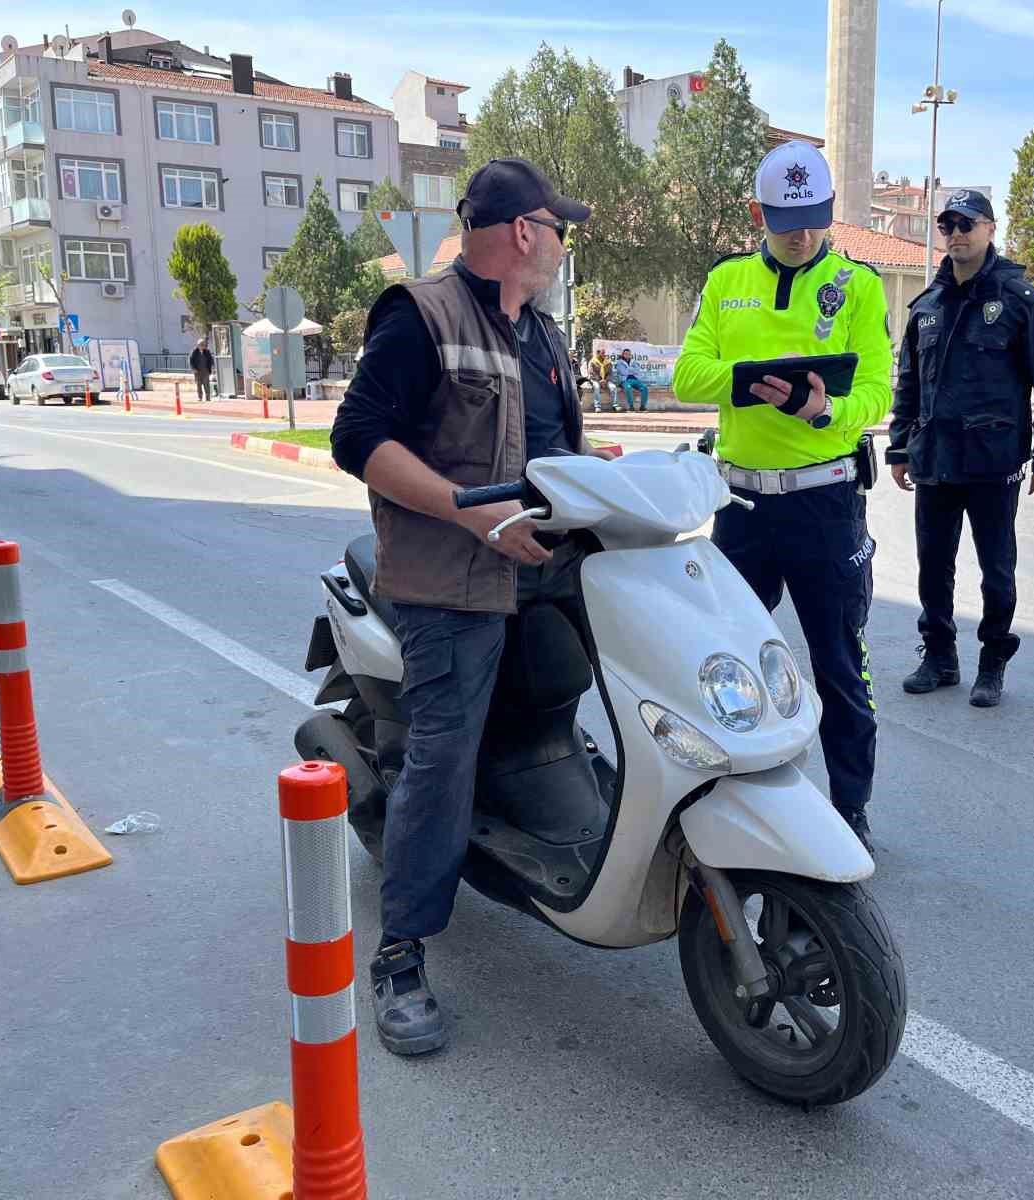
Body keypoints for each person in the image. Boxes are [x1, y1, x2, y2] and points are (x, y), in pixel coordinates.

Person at [330, 157, 611, 1058]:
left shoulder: (543, 332)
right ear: (526, 231)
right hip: (451, 579)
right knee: (444, 751)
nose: (565, 244)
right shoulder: (423, 316)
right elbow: (357, 439)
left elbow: (548, 448)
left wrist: (595, 467)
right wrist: (471, 513)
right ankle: (401, 955)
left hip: (546, 567)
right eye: (559, 228)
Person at [673, 140, 893, 851]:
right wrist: (755, 375)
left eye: (815, 217)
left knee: (837, 659)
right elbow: (687, 376)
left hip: (824, 504)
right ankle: (720, 796)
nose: (801, 233)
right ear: (757, 212)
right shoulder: (726, 281)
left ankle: (851, 806)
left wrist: (824, 411)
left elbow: (878, 391)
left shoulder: (856, 287)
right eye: (785, 218)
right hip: (740, 509)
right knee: (717, 658)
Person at [887, 189, 1034, 709]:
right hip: (936, 462)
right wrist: (900, 449)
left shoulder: (1021, 302)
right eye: (948, 225)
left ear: (991, 229)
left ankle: (992, 662)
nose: (957, 234)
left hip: (994, 462)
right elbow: (908, 384)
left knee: (996, 570)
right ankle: (940, 657)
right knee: (933, 566)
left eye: (967, 223)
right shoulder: (926, 307)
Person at [615, 348, 649, 412]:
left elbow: (637, 371)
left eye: (628, 354)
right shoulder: (619, 362)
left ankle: (642, 407)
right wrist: (632, 369)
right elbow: (623, 372)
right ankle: (631, 407)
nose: (627, 355)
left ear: (630, 355)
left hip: (635, 379)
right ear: (623, 354)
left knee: (645, 388)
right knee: (628, 388)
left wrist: (628, 369)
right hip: (625, 380)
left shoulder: (634, 361)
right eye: (625, 354)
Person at [588, 347, 616, 412]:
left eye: (604, 353)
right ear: (598, 353)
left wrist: (605, 380)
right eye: (602, 353)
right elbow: (591, 373)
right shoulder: (592, 362)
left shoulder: (608, 362)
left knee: (613, 387)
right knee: (597, 387)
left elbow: (610, 373)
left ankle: (615, 405)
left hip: (606, 380)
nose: (604, 355)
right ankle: (597, 406)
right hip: (595, 379)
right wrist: (600, 380)